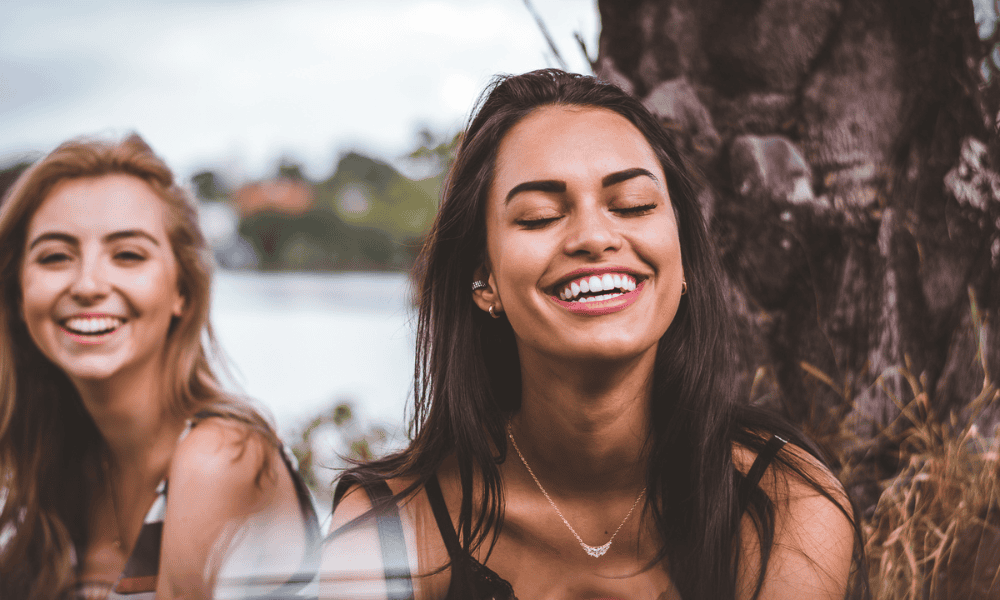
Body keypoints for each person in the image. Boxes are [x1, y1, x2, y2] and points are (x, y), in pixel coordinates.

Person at [323, 69, 866, 600]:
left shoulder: (781, 501)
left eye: (633, 205)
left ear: (684, 264)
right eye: (538, 217)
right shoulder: (387, 530)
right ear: (483, 279)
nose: (594, 237)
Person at [0, 134, 320, 600]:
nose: (88, 284)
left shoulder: (218, 458)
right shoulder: (55, 465)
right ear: (18, 294)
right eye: (54, 256)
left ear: (182, 293)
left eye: (128, 254)